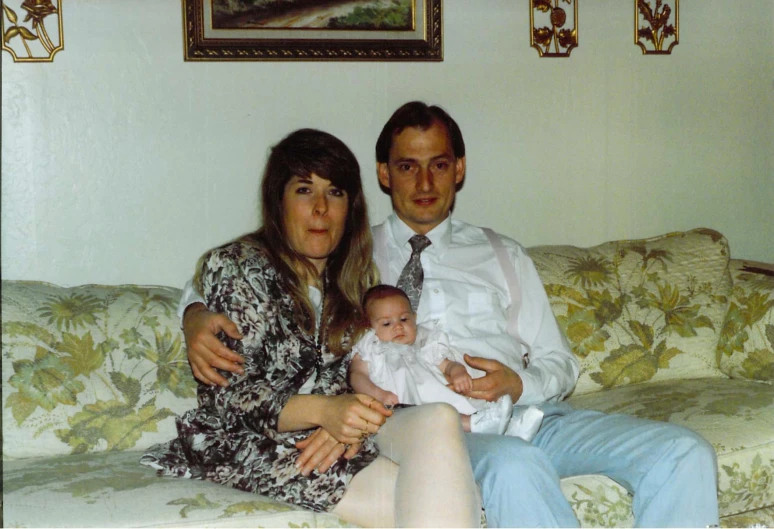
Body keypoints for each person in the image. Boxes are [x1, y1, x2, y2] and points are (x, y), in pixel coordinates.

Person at [179, 104, 720, 527]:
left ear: (458, 169)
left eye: (439, 164)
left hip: (527, 416)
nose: (424, 183)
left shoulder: (505, 253)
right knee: (513, 465)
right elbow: (254, 270)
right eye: (407, 167)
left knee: (683, 452)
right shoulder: (350, 253)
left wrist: (521, 381)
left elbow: (560, 364)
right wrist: (194, 310)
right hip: (440, 428)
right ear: (384, 175)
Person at [141, 128, 481, 528]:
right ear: (278, 201)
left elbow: (370, 373)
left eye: (335, 193)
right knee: (450, 499)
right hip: (253, 441)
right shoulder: (238, 267)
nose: (321, 208)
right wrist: (326, 412)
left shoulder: (357, 279)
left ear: (350, 207)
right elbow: (230, 398)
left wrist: (349, 421)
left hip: (343, 435)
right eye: (304, 190)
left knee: (439, 418)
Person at [350, 284, 545, 440]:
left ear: (414, 318)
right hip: (402, 408)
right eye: (386, 323)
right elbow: (357, 375)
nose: (398, 327)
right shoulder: (371, 347)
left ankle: (511, 431)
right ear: (369, 326)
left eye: (403, 319)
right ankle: (479, 425)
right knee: (440, 416)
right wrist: (376, 393)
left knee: (460, 406)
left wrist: (458, 372)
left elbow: (446, 364)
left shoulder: (424, 342)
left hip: (438, 398)